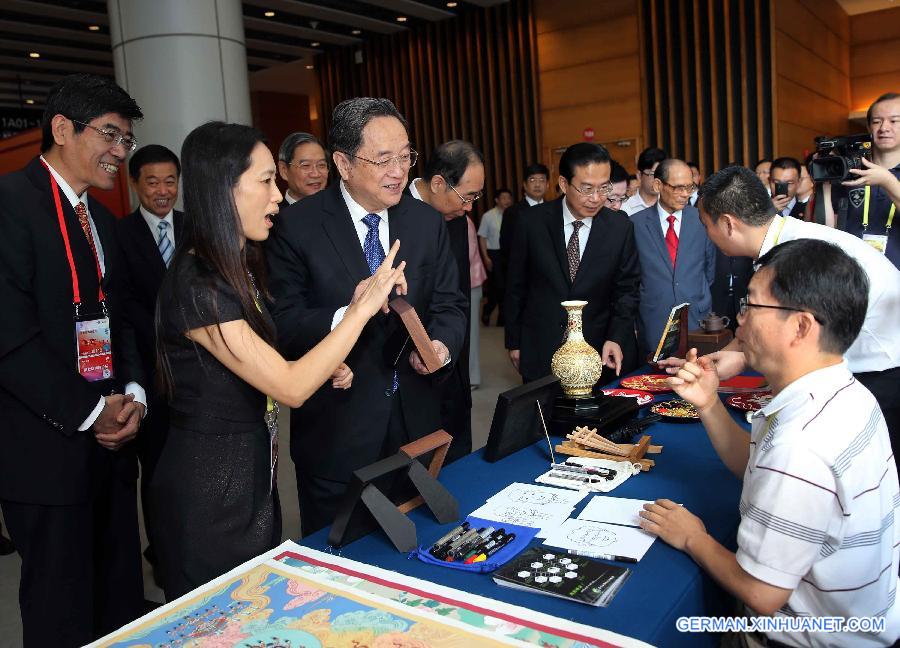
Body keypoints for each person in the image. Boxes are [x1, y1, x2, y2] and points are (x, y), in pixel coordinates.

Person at [148, 121, 406, 600]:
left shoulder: (236, 267)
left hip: (252, 473)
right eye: (266, 181)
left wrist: (324, 358)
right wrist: (361, 309)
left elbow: (268, 360)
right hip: (211, 489)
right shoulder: (198, 283)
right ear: (224, 188)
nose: (276, 198)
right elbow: (288, 386)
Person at [642, 239, 900, 647]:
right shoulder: (843, 391)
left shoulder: (801, 446)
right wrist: (709, 403)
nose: (739, 321)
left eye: (751, 306)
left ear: (800, 326)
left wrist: (692, 536)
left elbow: (762, 593)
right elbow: (754, 466)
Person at [266, 98, 467, 535]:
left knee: (420, 546)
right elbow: (284, 321)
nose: (399, 171)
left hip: (417, 421)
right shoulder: (296, 227)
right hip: (338, 427)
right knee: (339, 556)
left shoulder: (425, 222)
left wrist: (440, 345)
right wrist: (350, 312)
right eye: (383, 159)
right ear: (342, 162)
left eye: (405, 156)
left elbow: (452, 303)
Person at [0, 73, 146, 646]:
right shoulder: (10, 205)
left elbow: (123, 320)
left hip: (111, 447)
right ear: (62, 129)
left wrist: (132, 396)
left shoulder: (103, 221)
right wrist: (91, 411)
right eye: (110, 134)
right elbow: (9, 339)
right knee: (61, 609)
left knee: (117, 600)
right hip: (45, 450)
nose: (119, 152)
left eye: (126, 140)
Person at [661, 165, 900, 472]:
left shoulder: (794, 255)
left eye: (707, 225)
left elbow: (799, 332)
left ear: (729, 224)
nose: (707, 235)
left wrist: (741, 356)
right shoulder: (790, 239)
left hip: (879, 371)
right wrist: (738, 354)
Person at [505, 142, 640, 383]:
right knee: (544, 418)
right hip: (541, 345)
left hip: (597, 348)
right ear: (564, 184)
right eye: (587, 188)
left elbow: (626, 291)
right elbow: (516, 285)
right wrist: (514, 341)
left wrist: (616, 337)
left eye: (603, 188)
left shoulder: (620, 228)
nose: (596, 198)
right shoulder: (530, 223)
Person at [116, 144, 182, 572]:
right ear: (135, 184)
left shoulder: (196, 228)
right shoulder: (118, 235)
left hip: (199, 374)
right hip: (150, 375)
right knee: (157, 472)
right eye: (152, 181)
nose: (162, 191)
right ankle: (162, 554)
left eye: (170, 181)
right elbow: (119, 311)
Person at [408, 140, 485, 462]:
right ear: (438, 183)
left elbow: (457, 296)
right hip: (408, 360)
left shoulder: (457, 220)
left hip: (451, 353)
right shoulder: (394, 211)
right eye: (467, 196)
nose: (469, 207)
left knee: (457, 450)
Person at [631, 159, 716, 356]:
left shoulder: (702, 219)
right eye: (678, 188)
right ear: (658, 185)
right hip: (653, 322)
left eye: (690, 187)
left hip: (697, 319)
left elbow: (709, 270)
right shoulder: (635, 225)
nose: (686, 194)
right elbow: (632, 279)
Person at [826, 92, 900, 269]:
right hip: (850, 278)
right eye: (877, 121)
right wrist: (824, 186)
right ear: (868, 127)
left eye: (894, 121)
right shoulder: (850, 170)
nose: (884, 128)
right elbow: (827, 229)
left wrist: (887, 181)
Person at [498, 162, 549, 290]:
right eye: (532, 180)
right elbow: (507, 247)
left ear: (547, 185)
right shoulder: (513, 213)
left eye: (541, 180)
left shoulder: (556, 210)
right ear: (525, 185)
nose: (537, 184)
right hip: (525, 279)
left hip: (550, 278)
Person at [478, 187, 513, 325]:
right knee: (497, 287)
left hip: (509, 254)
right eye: (503, 198)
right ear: (497, 200)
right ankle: (487, 312)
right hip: (494, 254)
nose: (506, 201)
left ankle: (501, 318)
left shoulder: (514, 214)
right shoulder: (488, 216)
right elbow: (482, 237)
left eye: (508, 198)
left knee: (507, 287)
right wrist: (486, 257)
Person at [276, 131, 328, 208]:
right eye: (306, 165)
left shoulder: (341, 209)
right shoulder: (274, 217)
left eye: (321, 165)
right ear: (284, 170)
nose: (316, 174)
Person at [468, 214, 487, 388]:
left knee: (472, 333)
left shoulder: (465, 222)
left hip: (471, 283)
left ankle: (472, 378)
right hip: (463, 285)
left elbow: (467, 256)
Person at [622, 146, 667, 216]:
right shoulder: (625, 208)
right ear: (639, 176)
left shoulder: (669, 204)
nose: (658, 180)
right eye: (653, 174)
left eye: (661, 174)